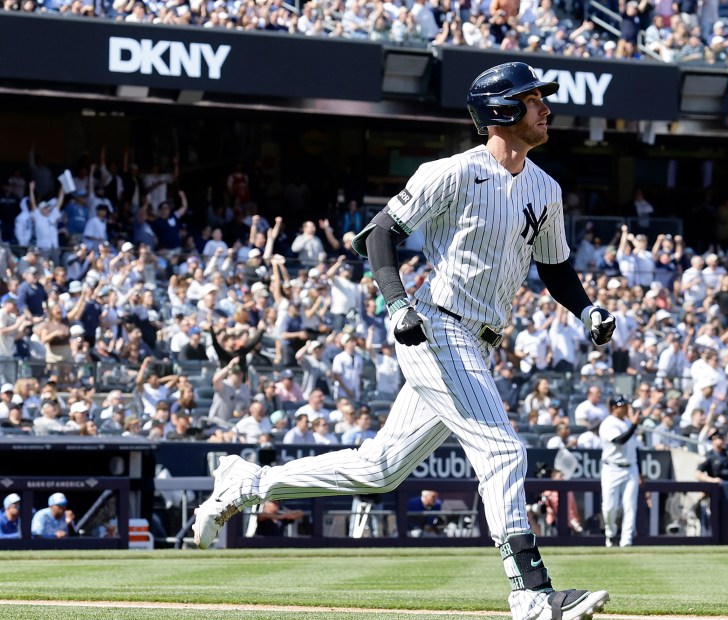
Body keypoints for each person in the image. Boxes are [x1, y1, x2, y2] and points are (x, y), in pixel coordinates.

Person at [193, 62, 612, 620]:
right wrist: (397, 304)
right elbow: (379, 234)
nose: (545, 107)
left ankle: (248, 482)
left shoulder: (546, 188)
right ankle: (530, 592)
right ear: (502, 112)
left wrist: (586, 310)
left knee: (382, 468)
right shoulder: (453, 172)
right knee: (504, 450)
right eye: (534, 99)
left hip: (479, 339)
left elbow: (555, 268)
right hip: (438, 324)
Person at [599, 395, 640, 548]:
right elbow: (619, 441)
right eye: (623, 405)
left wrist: (640, 471)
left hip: (631, 467)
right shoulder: (608, 423)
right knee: (610, 507)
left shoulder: (628, 422)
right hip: (612, 468)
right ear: (614, 407)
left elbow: (635, 448)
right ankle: (610, 533)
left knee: (630, 506)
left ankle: (626, 541)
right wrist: (634, 426)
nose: (627, 408)